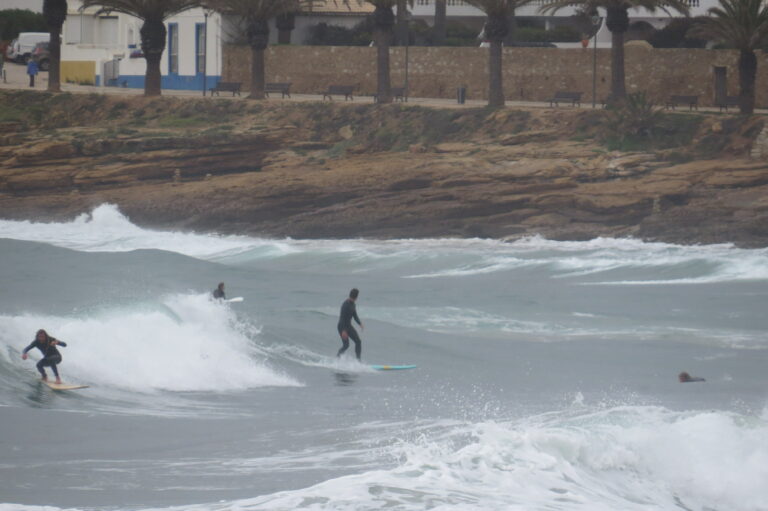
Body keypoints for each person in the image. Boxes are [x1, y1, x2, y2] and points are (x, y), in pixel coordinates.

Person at [337, 288, 364, 361]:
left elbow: (355, 315)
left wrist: (360, 323)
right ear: (356, 297)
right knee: (346, 345)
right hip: (342, 326)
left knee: (358, 341)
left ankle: (358, 361)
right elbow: (342, 318)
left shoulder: (353, 304)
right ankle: (338, 358)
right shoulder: (345, 305)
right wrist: (343, 331)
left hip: (348, 326)